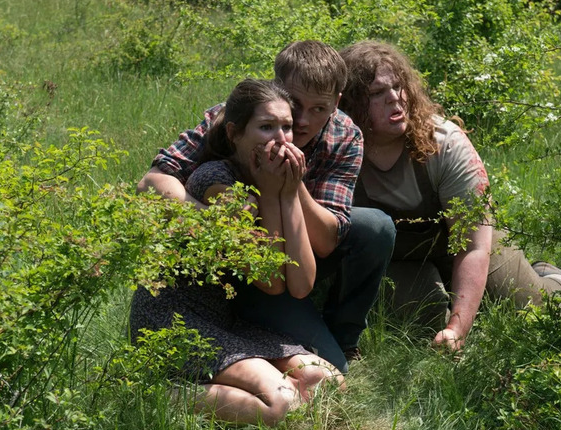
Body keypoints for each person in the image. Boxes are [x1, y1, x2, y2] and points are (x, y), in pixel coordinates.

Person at [137, 40, 395, 372]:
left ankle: (342, 334)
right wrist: (214, 226)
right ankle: (284, 333)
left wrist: (291, 183)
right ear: (276, 87)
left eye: (319, 109)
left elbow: (327, 241)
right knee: (332, 368)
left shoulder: (345, 135)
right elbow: (152, 181)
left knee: (375, 227)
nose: (300, 121)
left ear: (336, 103)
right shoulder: (240, 114)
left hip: (299, 253)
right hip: (238, 259)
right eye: (295, 104)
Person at [338, 40, 561, 351]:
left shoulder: (444, 143)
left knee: (530, 312)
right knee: (421, 323)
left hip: (466, 243)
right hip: (399, 260)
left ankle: (559, 281)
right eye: (377, 93)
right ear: (350, 104)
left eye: (398, 86)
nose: (395, 98)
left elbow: (473, 245)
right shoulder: (337, 151)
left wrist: (458, 329)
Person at [130, 79, 344, 426]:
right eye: (265, 127)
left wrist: (288, 194)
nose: (281, 138)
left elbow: (301, 284)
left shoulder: (272, 180)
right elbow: (271, 281)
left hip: (220, 319)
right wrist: (274, 192)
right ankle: (155, 393)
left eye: (286, 127)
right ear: (235, 134)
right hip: (172, 323)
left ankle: (222, 385)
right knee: (282, 404)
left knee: (328, 381)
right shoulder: (218, 184)